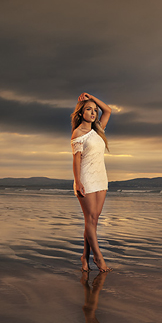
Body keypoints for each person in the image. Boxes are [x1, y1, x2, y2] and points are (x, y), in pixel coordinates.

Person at [71, 92, 113, 272]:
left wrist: (92, 98)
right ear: (81, 112)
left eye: (94, 110)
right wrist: (78, 181)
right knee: (90, 218)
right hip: (86, 179)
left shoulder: (98, 131)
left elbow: (108, 110)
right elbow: (76, 160)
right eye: (89, 109)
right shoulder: (78, 133)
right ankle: (98, 256)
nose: (94, 112)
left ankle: (84, 257)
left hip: (101, 178)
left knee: (94, 220)